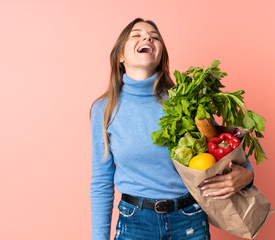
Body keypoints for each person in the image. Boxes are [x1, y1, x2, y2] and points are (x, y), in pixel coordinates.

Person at [89, 18, 254, 240]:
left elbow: (222, 148)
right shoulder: (105, 109)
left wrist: (247, 176)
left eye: (154, 36)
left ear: (160, 57)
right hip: (135, 224)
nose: (147, 37)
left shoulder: (185, 101)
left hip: (189, 219)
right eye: (136, 35)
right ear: (120, 56)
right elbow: (101, 181)